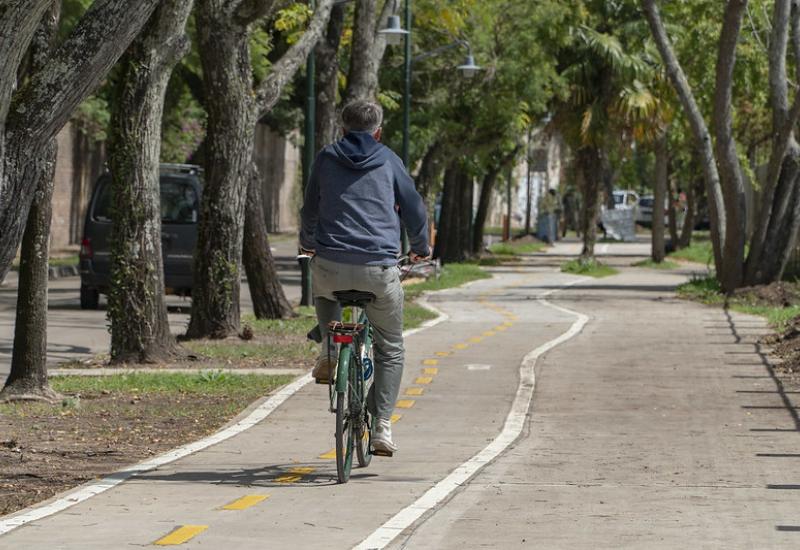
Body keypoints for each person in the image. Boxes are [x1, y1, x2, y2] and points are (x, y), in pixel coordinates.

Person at [299, 100, 430, 455]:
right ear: (378, 131)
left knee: (324, 292)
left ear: (342, 128)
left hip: (330, 265)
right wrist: (421, 247)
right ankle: (383, 426)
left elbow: (310, 208)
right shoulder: (389, 160)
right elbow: (414, 209)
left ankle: (329, 347)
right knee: (391, 348)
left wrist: (309, 243)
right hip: (378, 269)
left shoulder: (326, 158)